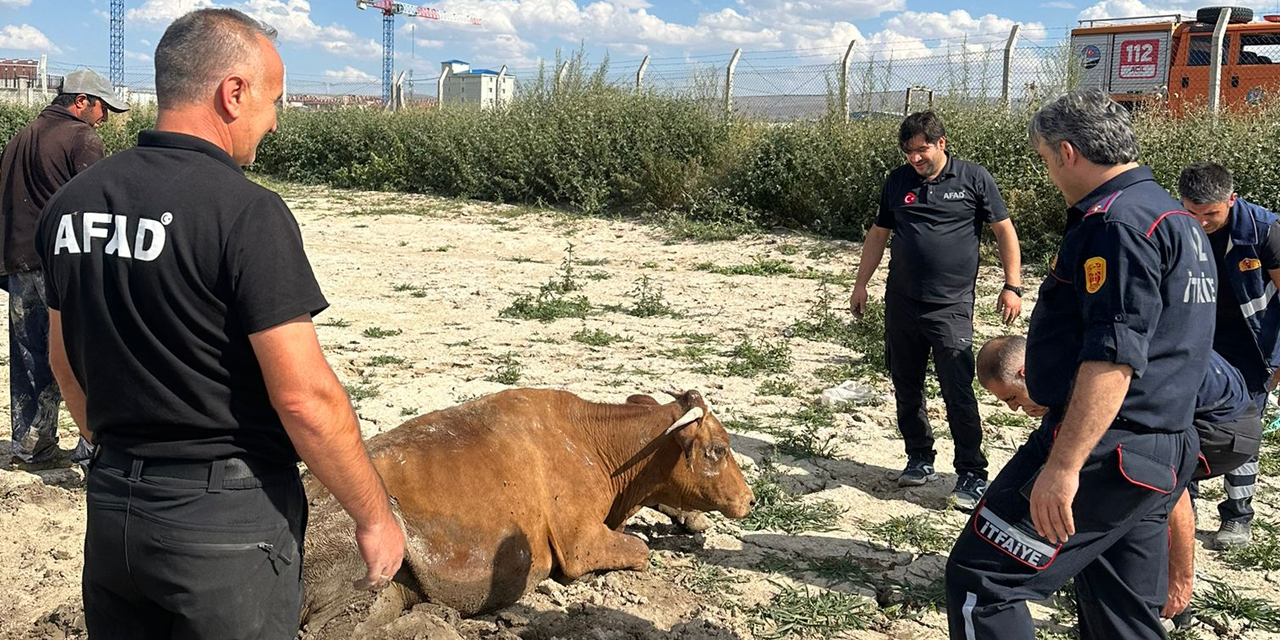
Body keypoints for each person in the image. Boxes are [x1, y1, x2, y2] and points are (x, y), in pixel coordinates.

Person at [35, 9, 405, 637]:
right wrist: (372, 517)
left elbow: (63, 358)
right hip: (224, 529)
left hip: (115, 510)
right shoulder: (245, 213)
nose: (275, 120)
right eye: (274, 99)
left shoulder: (75, 203)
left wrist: (117, 451)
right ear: (233, 93)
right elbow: (305, 396)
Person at [944, 89, 1215, 640]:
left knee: (983, 582)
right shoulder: (1174, 218)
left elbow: (1113, 357)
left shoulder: (1113, 224)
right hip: (1163, 450)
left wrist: (1064, 467)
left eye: (1045, 159)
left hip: (1105, 450)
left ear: (1067, 152)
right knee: (1120, 611)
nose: (1049, 173)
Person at [975, 335, 1260, 620]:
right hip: (1204, 403)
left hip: (1226, 428)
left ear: (1026, 372)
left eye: (1012, 397)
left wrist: (1180, 580)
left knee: (1143, 480)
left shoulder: (1093, 377)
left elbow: (1173, 493)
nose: (1014, 409)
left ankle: (1174, 598)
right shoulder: (1063, 361)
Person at [849, 110, 1023, 511]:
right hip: (902, 302)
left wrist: (1011, 285)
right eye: (908, 151)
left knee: (957, 389)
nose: (915, 158)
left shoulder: (973, 178)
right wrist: (861, 284)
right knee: (906, 384)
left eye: (921, 149)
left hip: (950, 306)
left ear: (941, 143)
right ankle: (919, 457)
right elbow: (879, 234)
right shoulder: (897, 181)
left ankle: (971, 472)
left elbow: (1004, 230)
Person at [0, 69, 128, 469]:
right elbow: (99, 206)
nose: (104, 118)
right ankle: (93, 449)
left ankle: (30, 446)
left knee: (28, 355)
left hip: (20, 263)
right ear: (81, 101)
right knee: (82, 352)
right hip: (62, 266)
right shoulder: (81, 138)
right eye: (103, 108)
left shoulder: (22, 136)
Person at [1178, 161, 1280, 548]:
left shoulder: (1265, 230)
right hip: (1197, 339)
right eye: (1192, 212)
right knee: (1186, 424)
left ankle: (1238, 515)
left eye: (1211, 214)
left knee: (1242, 430)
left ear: (1231, 200)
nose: (1201, 223)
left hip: (1253, 345)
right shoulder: (1173, 224)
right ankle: (1184, 506)